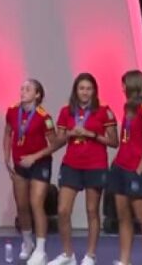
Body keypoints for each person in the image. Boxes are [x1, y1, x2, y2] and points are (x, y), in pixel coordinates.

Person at [48, 73, 118, 265]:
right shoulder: (66, 111)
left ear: (94, 91)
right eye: (81, 88)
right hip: (72, 164)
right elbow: (57, 141)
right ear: (76, 91)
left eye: (88, 88)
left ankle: (90, 255)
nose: (85, 92)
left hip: (95, 165)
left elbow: (114, 142)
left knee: (91, 210)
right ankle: (68, 254)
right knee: (62, 210)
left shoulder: (104, 111)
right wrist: (71, 133)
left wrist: (90, 134)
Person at [4, 79, 58, 265]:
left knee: (36, 204)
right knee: (22, 206)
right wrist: (6, 157)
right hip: (19, 164)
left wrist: (35, 157)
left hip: (39, 164)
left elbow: (56, 143)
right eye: (22, 88)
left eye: (28, 89)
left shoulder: (44, 117)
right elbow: (7, 133)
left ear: (37, 94)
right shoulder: (12, 111)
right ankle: (28, 243)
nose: (23, 91)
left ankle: (41, 251)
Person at [109, 70, 142, 265]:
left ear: (132, 85)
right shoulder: (127, 108)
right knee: (123, 217)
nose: (121, 88)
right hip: (120, 168)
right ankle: (125, 260)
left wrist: (138, 172)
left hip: (137, 170)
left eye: (124, 84)